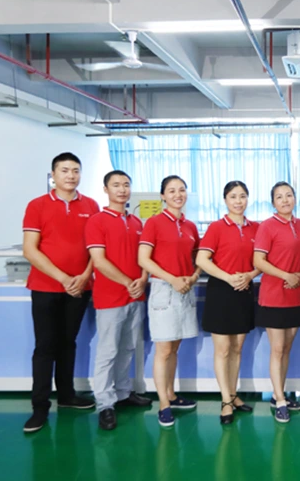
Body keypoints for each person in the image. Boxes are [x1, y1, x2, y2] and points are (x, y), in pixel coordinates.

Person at [21, 152, 100, 433]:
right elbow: (30, 249)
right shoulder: (37, 205)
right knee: (45, 346)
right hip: (45, 287)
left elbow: (96, 248)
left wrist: (85, 275)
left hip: (80, 288)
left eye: (75, 170)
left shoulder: (90, 205)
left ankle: (66, 395)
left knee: (69, 342)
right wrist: (64, 278)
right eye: (64, 170)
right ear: (53, 175)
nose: (71, 175)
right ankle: (40, 407)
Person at [85, 170, 152, 431]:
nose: (122, 189)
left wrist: (143, 279)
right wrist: (128, 282)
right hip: (110, 297)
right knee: (108, 351)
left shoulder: (137, 222)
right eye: (116, 185)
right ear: (106, 189)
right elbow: (99, 261)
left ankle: (123, 393)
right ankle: (105, 403)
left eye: (126, 185)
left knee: (128, 348)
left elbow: (145, 257)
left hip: (136, 295)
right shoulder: (97, 221)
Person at [138, 175, 200, 427]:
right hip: (164, 289)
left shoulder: (190, 226)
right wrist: (172, 279)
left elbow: (199, 259)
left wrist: (193, 276)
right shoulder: (154, 223)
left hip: (185, 288)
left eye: (182, 190)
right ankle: (163, 403)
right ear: (163, 196)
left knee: (174, 347)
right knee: (163, 350)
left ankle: (172, 395)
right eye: (172, 191)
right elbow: (144, 259)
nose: (178, 195)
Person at [197, 181, 259, 425]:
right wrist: (229, 277)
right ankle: (225, 401)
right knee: (223, 349)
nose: (238, 201)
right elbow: (202, 259)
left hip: (244, 290)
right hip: (221, 291)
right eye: (233, 196)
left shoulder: (256, 228)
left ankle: (233, 395)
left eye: (242, 196)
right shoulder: (216, 227)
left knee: (237, 348)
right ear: (225, 200)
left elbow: (262, 260)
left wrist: (249, 276)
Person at [253, 182, 300, 424]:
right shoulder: (267, 226)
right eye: (279, 197)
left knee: (287, 348)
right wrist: (286, 275)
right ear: (273, 202)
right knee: (277, 349)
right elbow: (259, 261)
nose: (285, 200)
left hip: (295, 295)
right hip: (274, 295)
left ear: (295, 198)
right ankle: (279, 400)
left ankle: (281, 394)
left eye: (289, 195)